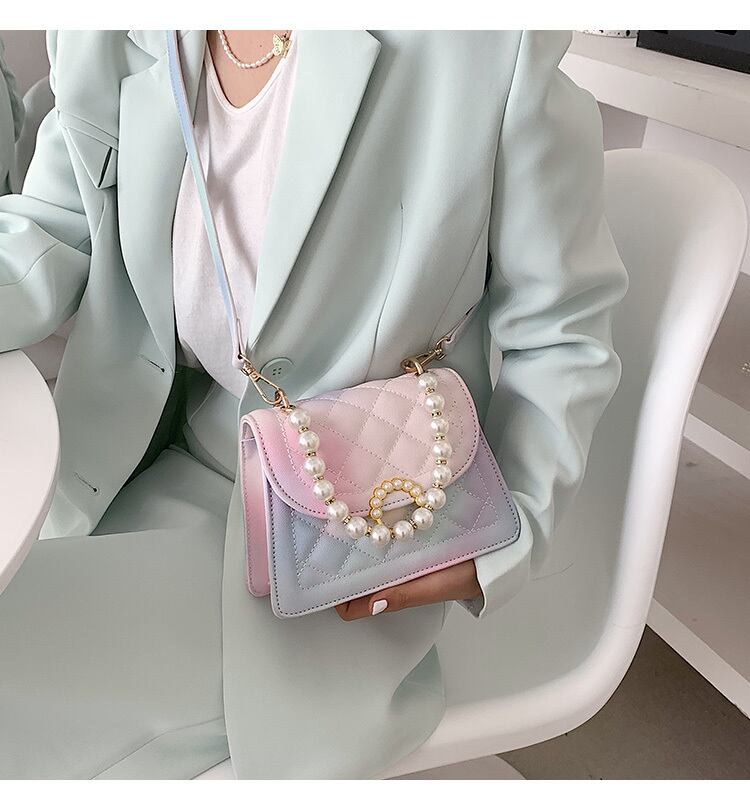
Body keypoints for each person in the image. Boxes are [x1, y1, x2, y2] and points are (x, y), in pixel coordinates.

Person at [0, 29, 629, 779]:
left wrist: (504, 530)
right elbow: (53, 226)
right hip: (144, 469)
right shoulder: (109, 29)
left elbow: (563, 328)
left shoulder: (485, 42)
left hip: (356, 530)